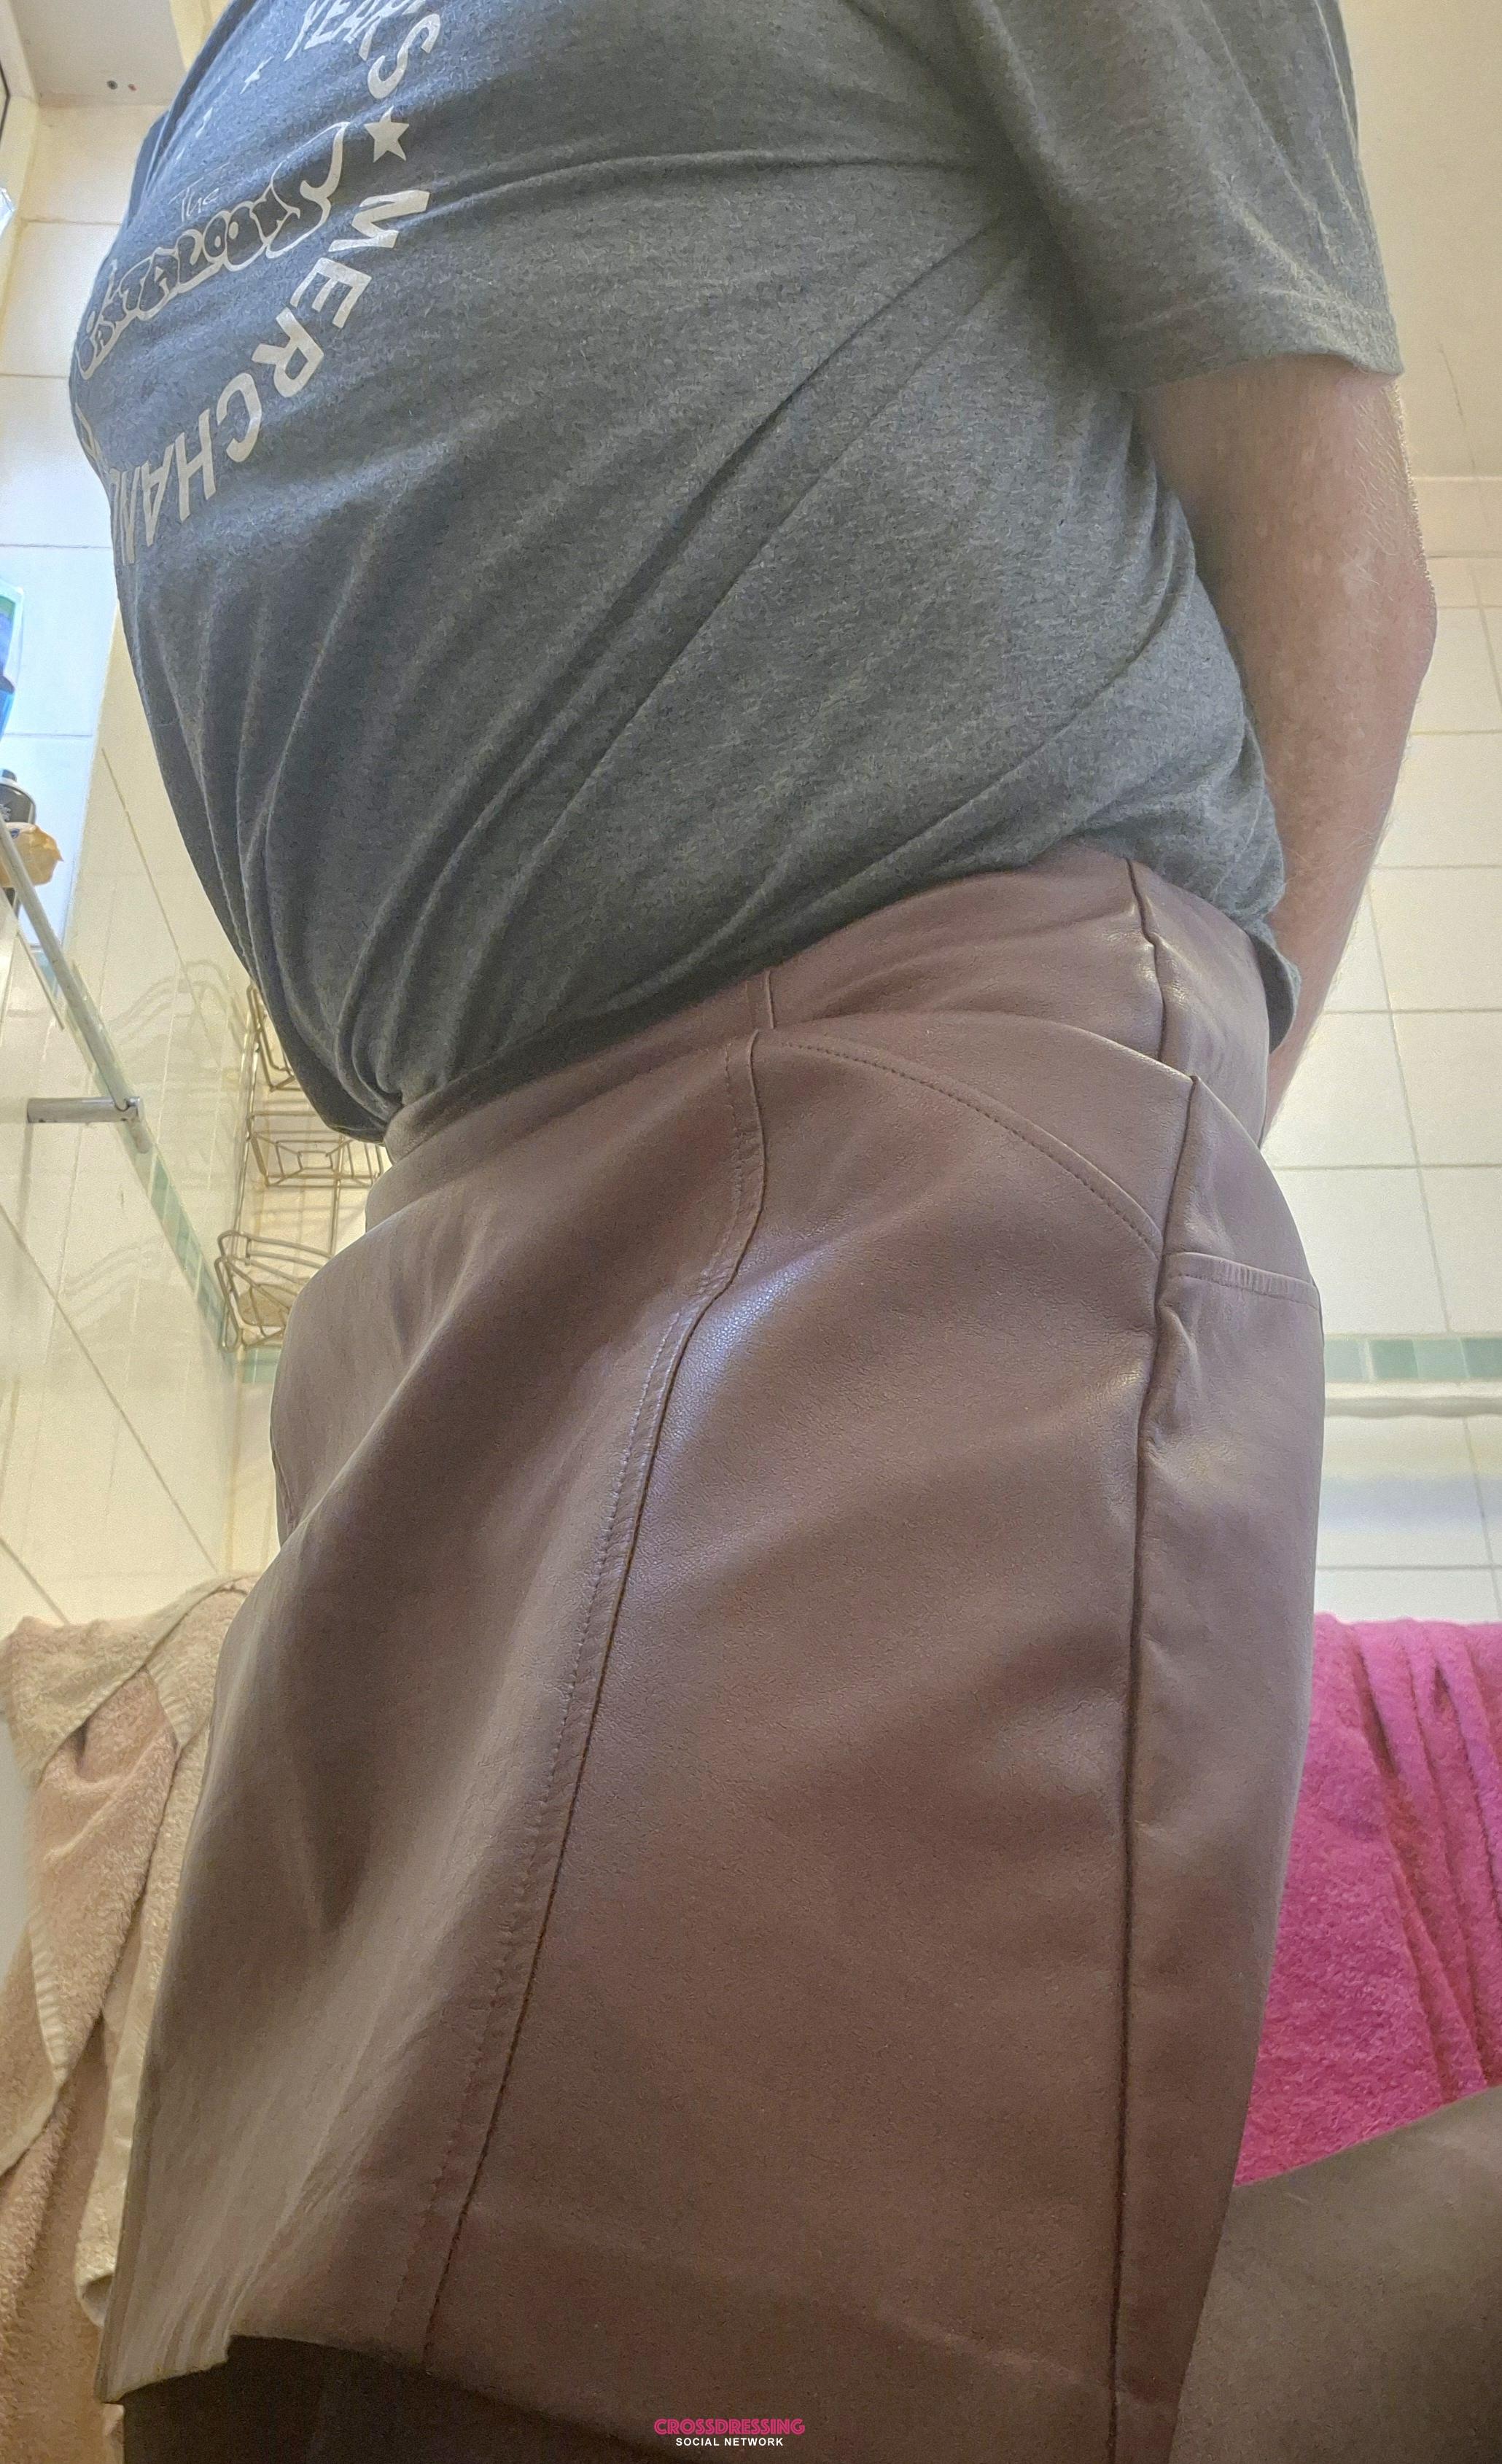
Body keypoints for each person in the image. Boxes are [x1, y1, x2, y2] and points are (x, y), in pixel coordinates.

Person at [65, 0, 1479, 2457]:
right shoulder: (215, 79)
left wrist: (1121, 1121)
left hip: (902, 1055)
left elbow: (1326, 536)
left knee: (647, 2364)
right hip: (435, 1223)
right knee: (260, 2380)